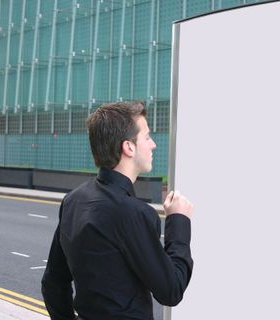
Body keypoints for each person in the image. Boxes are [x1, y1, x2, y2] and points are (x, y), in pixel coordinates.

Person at [41, 101, 193, 320]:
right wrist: (178, 220)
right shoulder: (134, 213)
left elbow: (53, 283)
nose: (153, 145)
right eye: (147, 137)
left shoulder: (73, 201)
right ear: (128, 147)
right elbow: (171, 290)